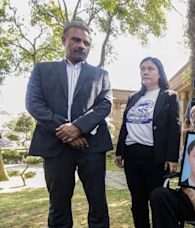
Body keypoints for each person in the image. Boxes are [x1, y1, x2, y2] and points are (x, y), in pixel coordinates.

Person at [25, 21, 113, 227]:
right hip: (55, 147)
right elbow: (33, 103)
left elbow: (105, 105)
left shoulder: (101, 75)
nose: (81, 45)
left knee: (98, 204)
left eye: (86, 43)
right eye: (76, 39)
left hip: (91, 146)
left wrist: (79, 128)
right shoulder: (42, 70)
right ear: (63, 40)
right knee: (58, 206)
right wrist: (67, 130)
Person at [115, 57, 180, 228]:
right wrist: (119, 151)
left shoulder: (169, 96)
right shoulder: (133, 97)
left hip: (154, 156)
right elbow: (125, 124)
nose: (145, 71)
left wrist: (172, 157)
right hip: (132, 156)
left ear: (159, 73)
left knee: (157, 200)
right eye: (143, 68)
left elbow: (175, 128)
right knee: (137, 201)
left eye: (150, 68)